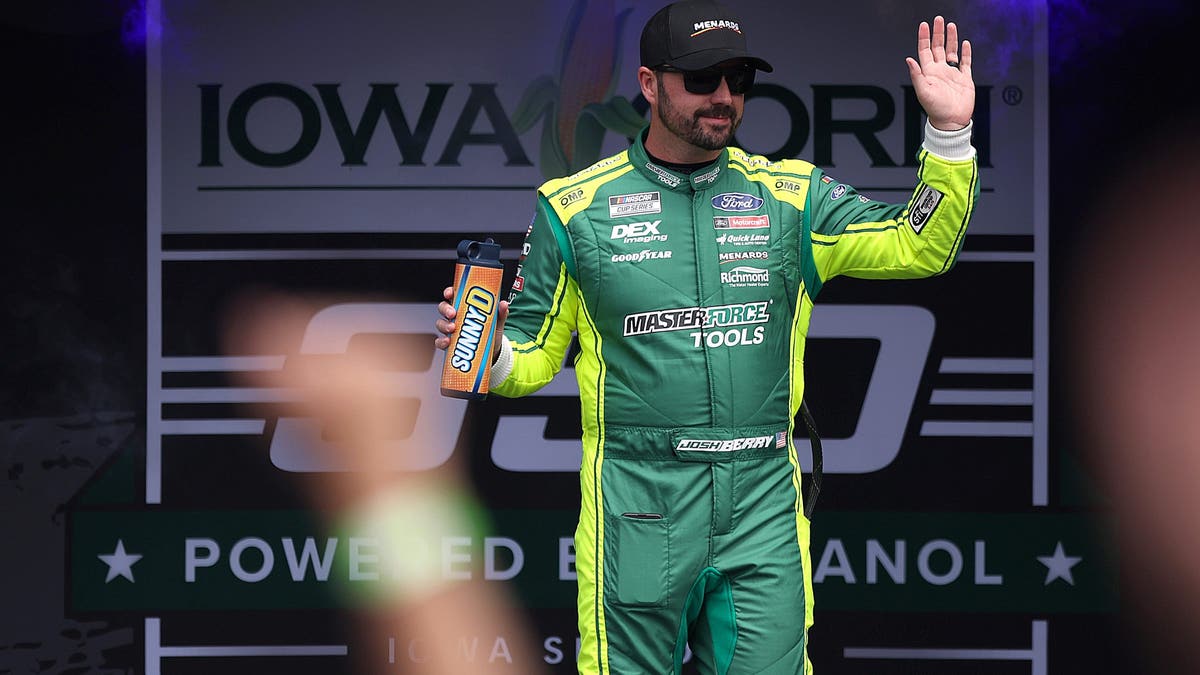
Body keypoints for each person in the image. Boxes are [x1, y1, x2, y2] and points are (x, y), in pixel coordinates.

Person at [436, 1, 979, 672]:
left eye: (738, 79)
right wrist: (488, 354)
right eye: (701, 79)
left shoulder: (792, 197)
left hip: (761, 504)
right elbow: (531, 351)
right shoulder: (575, 208)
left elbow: (918, 244)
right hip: (637, 503)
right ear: (648, 82)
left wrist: (949, 134)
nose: (723, 97)